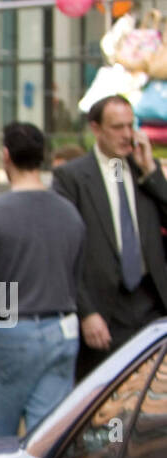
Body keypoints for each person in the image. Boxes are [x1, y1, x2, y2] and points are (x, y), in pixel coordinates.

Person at [0, 123, 86, 438]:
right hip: (62, 330)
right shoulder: (70, 214)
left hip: (7, 332)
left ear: (6, 155)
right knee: (47, 442)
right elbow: (77, 277)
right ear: (43, 157)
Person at [52, 94, 167, 381]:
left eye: (131, 126)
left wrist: (152, 173)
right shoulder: (72, 177)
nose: (127, 135)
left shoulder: (145, 171)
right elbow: (63, 252)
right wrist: (86, 312)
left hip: (150, 306)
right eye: (117, 127)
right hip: (103, 312)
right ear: (96, 129)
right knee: (103, 404)